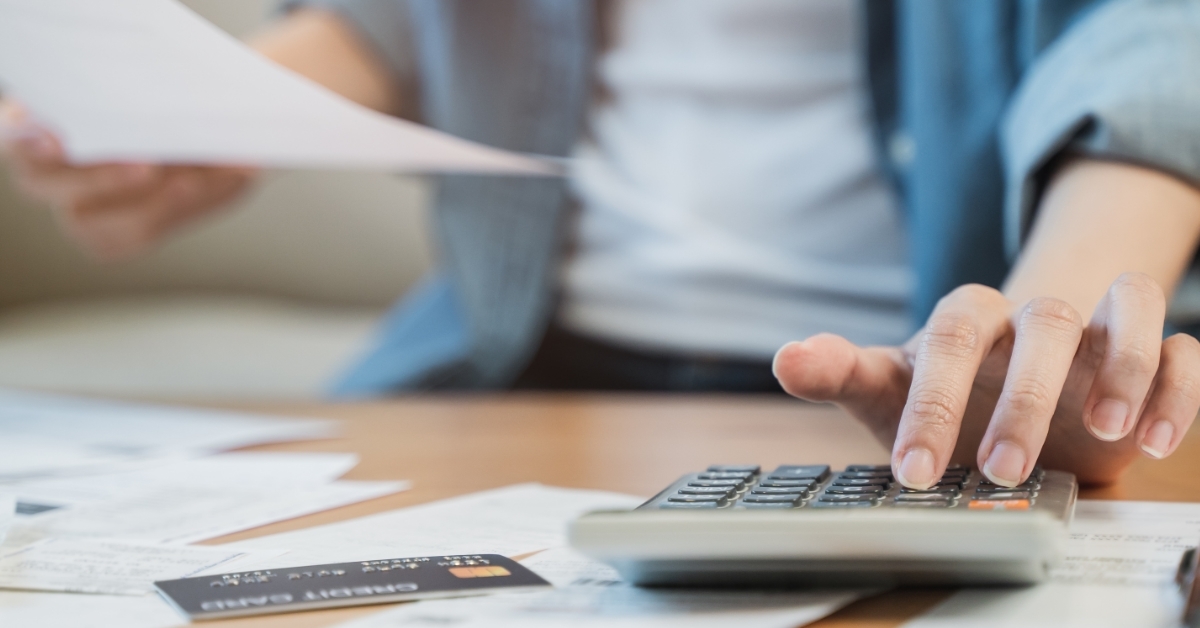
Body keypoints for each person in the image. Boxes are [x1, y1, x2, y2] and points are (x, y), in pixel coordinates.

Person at [4, 0, 1200, 492]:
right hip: (511, 373)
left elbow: (1150, 42)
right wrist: (188, 118)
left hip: (910, 400)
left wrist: (1049, 327)